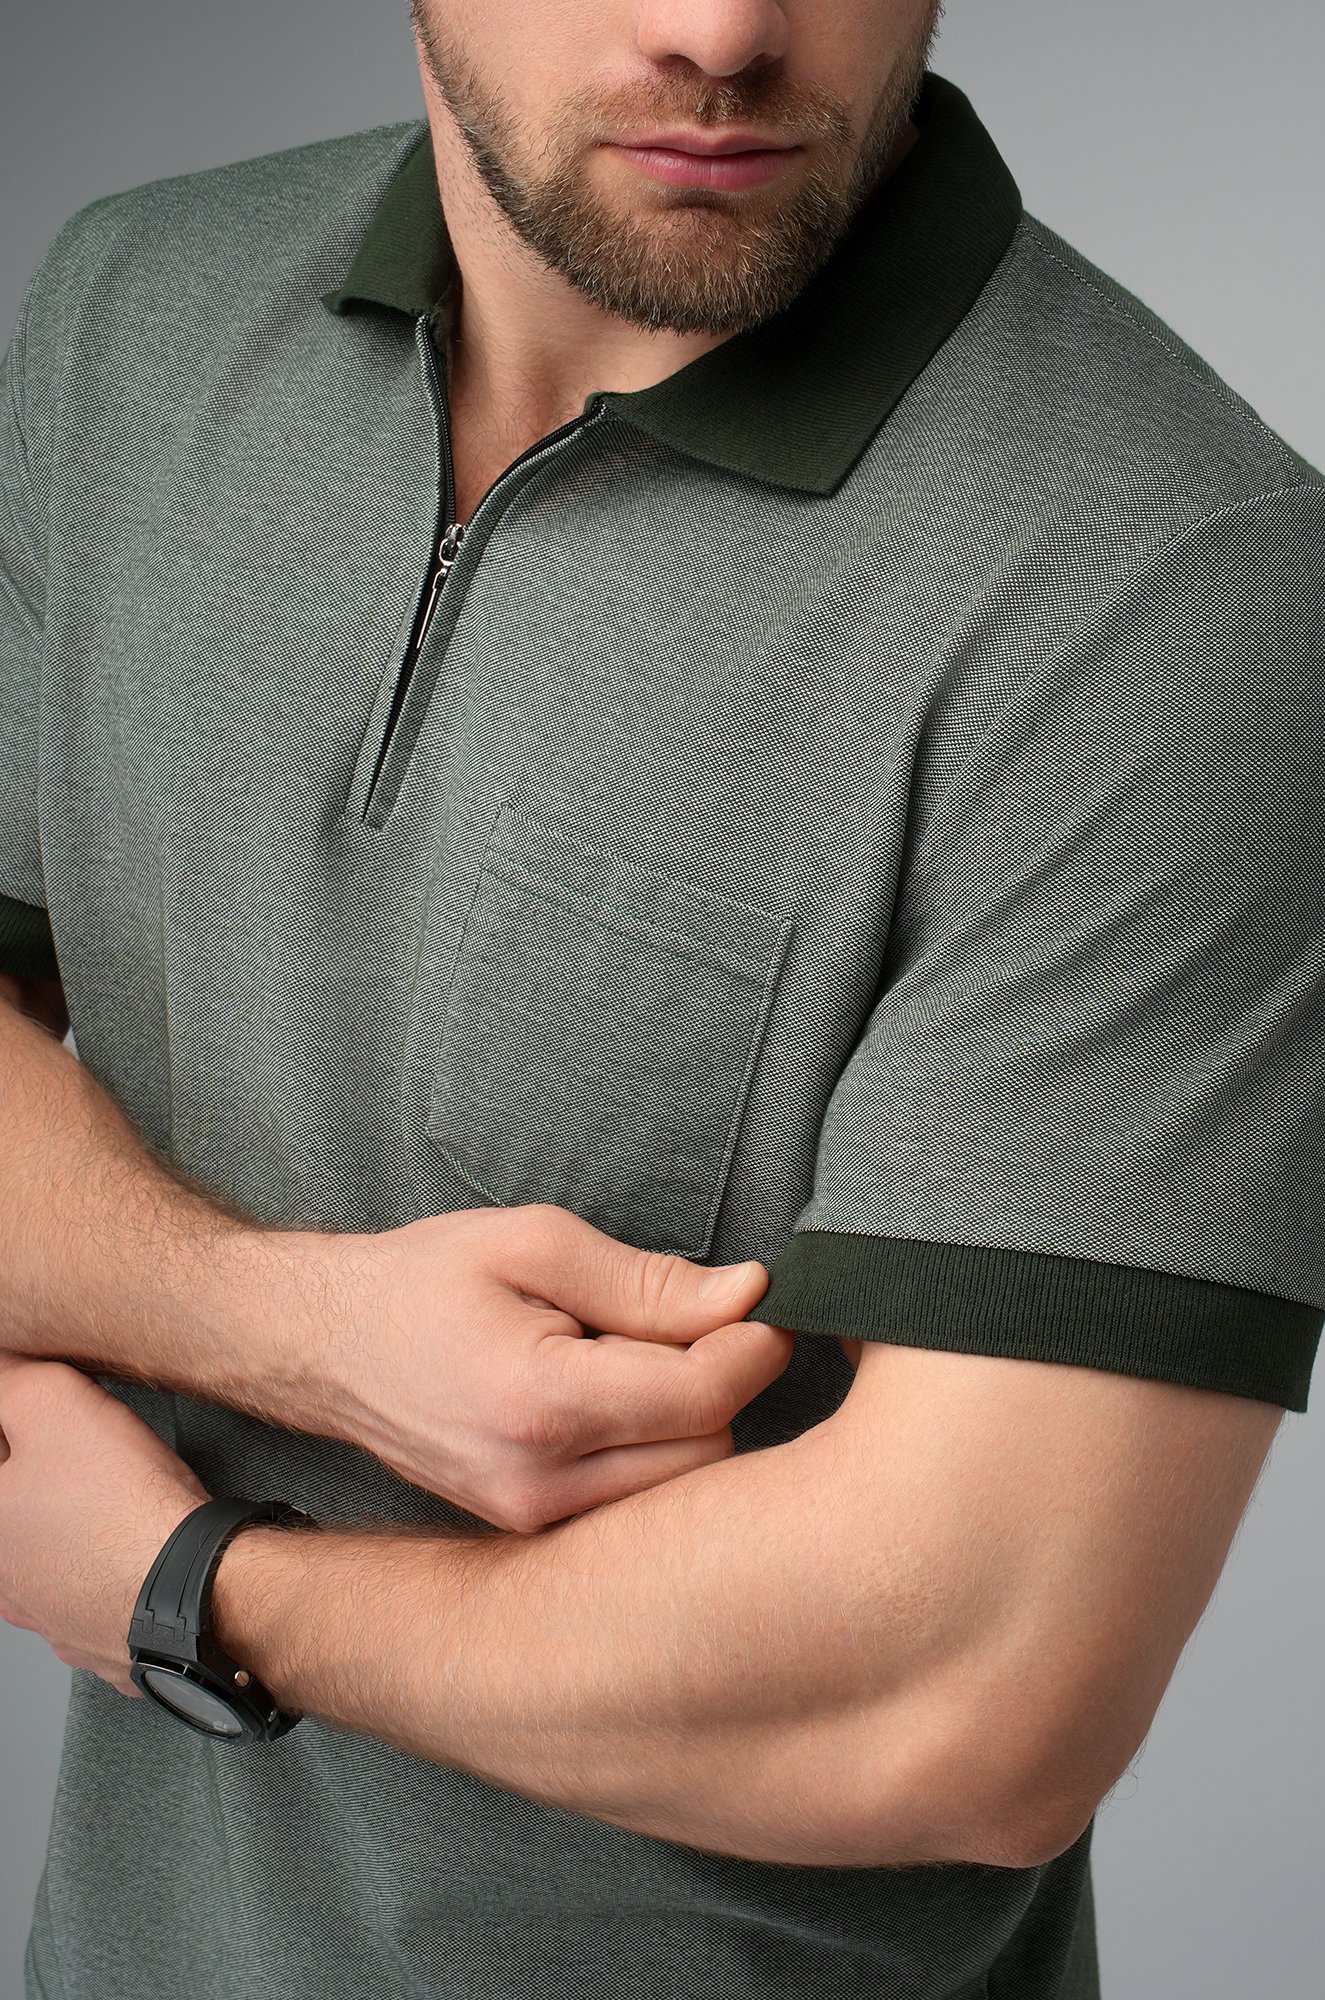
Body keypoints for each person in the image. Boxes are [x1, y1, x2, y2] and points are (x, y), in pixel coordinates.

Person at [1, 2, 1321, 1995]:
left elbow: (973, 1697)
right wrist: (294, 1332)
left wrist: (192, 1589)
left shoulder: (1180, 591)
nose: (721, 26)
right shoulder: (131, 313)